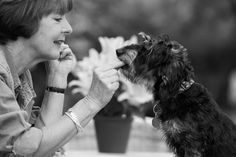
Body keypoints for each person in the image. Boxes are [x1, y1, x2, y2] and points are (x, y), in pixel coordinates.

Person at [0, 0, 122, 156]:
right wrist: (92, 102)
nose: (69, 29)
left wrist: (56, 79)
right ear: (22, 19)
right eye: (58, 19)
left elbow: (41, 151)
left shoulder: (20, 75)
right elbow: (24, 148)